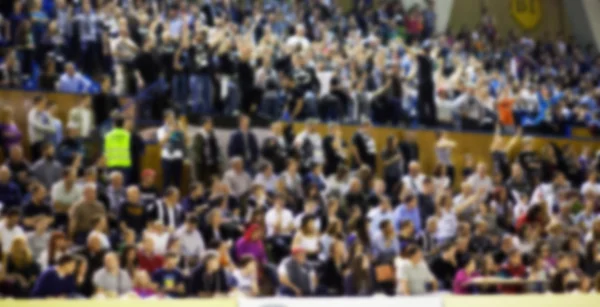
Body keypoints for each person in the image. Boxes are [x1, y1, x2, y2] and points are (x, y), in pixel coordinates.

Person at [157, 110, 188, 189]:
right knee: (166, 182)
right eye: (170, 117)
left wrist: (183, 129)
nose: (172, 119)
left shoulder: (179, 129)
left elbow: (187, 141)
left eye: (173, 117)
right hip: (167, 159)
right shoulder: (161, 129)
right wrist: (171, 131)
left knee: (177, 182)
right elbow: (161, 143)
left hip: (178, 159)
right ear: (165, 119)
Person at [103, 116, 132, 183]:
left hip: (112, 164)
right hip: (125, 164)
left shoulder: (108, 136)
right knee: (123, 185)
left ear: (114, 124)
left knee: (112, 185)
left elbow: (105, 152)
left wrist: (105, 166)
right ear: (123, 124)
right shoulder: (128, 135)